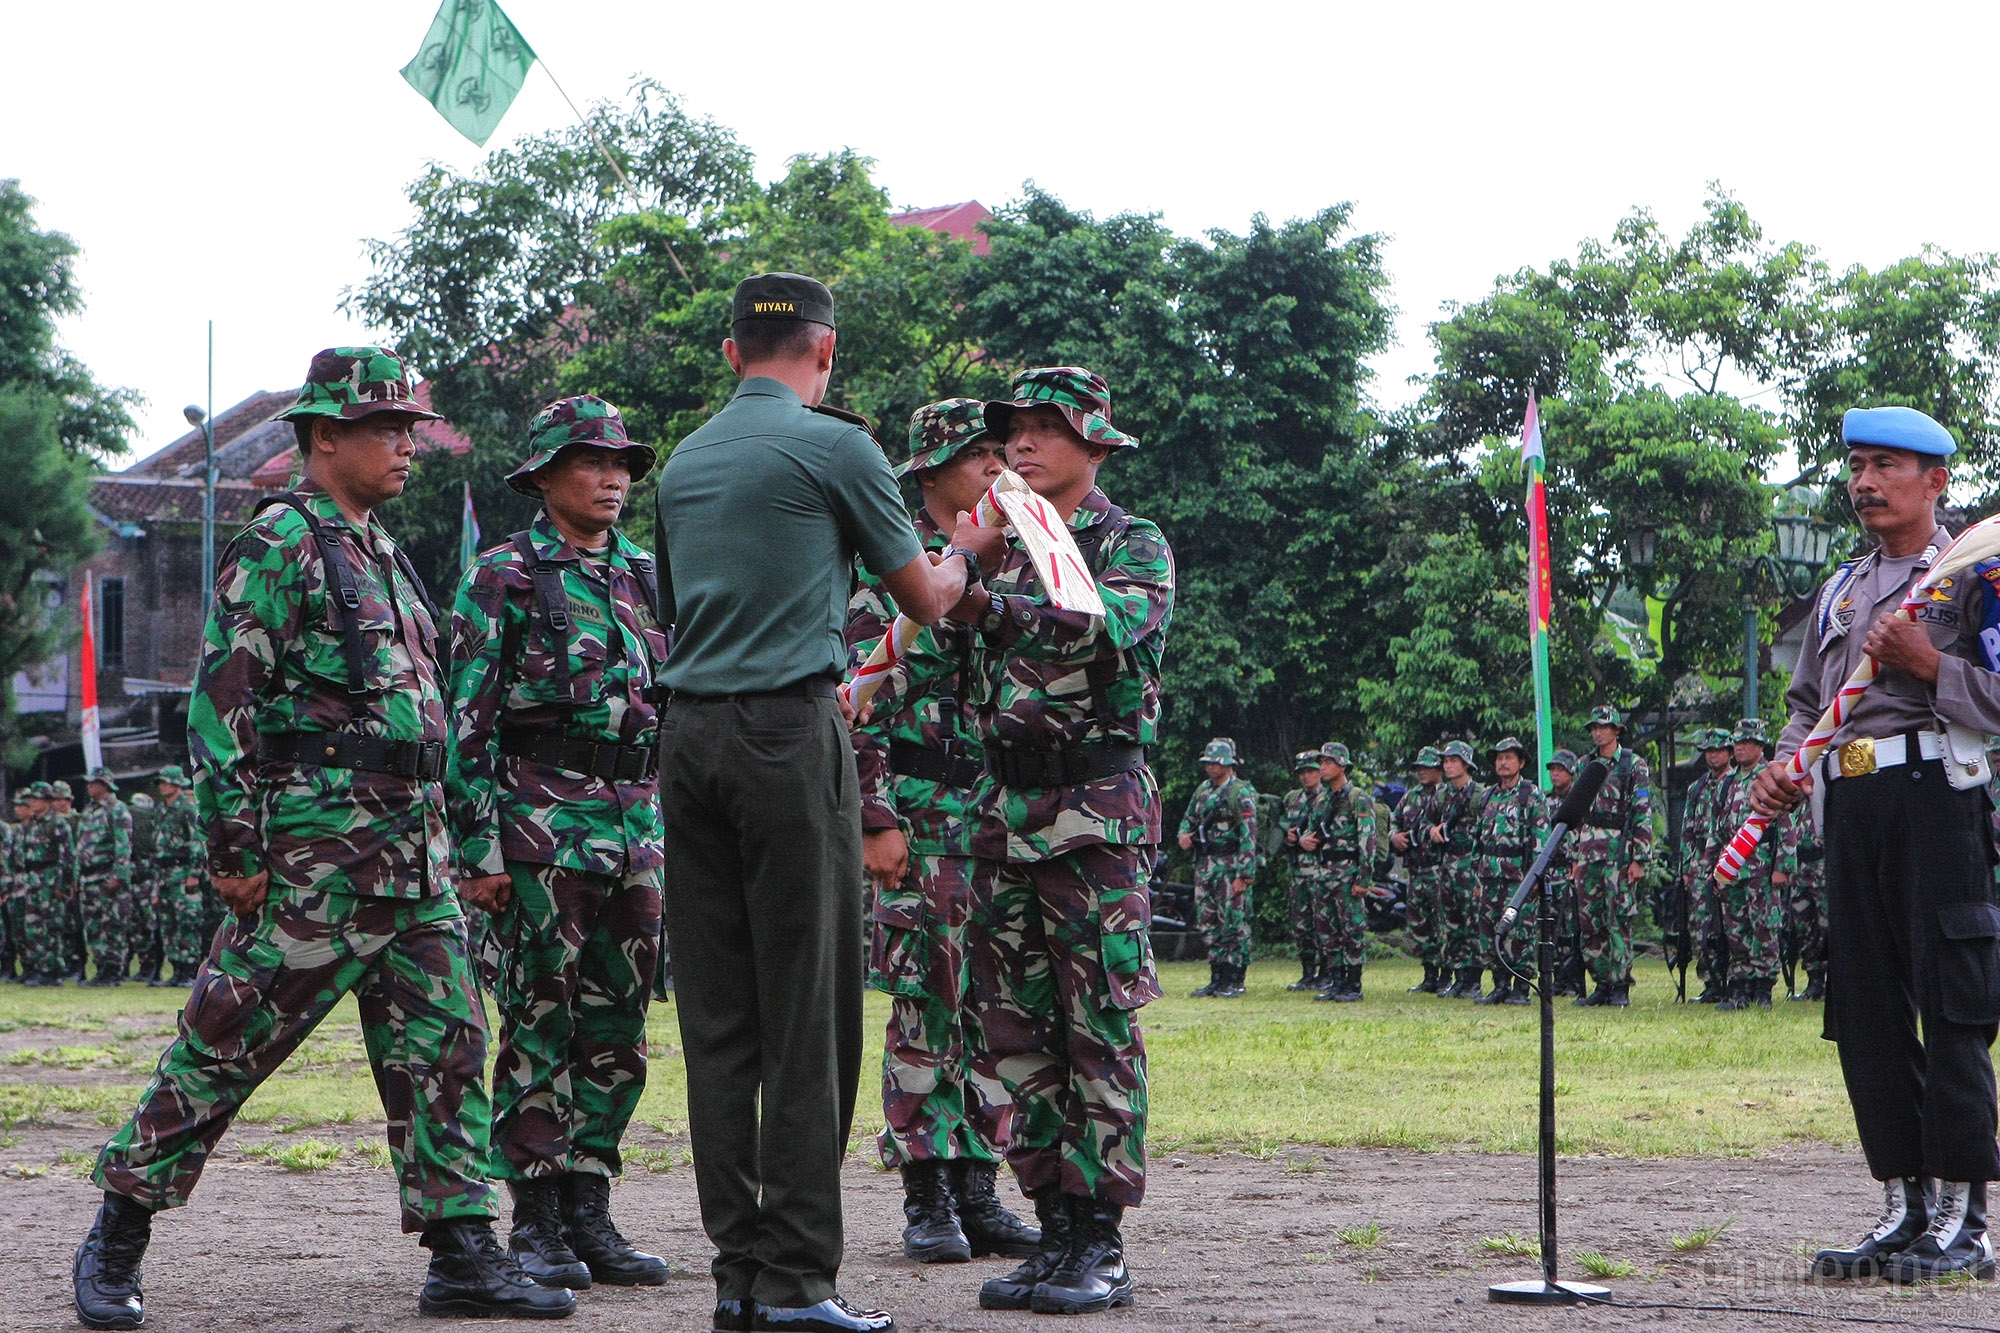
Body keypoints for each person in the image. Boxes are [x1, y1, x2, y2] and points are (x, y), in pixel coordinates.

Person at [74, 347, 570, 1330]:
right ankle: (117, 1233)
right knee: (225, 1042)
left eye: (408, 429)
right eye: (386, 429)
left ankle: (462, 1249)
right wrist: (233, 853)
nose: (405, 447)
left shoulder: (383, 553)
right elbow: (221, 713)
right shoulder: (281, 544)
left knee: (447, 1053)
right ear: (324, 437)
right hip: (317, 865)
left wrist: (464, 848)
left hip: (416, 864)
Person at [653, 274, 973, 1333]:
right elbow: (921, 600)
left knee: (719, 1020)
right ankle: (795, 1282)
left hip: (686, 739)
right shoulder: (839, 449)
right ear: (823, 351)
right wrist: (966, 553)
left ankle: (738, 1278)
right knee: (810, 1016)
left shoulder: (682, 461)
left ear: (732, 351)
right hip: (787, 736)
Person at [936, 364, 1172, 1317]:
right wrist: (959, 563)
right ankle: (1052, 1226)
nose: (1021, 444)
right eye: (1013, 430)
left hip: (1095, 817)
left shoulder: (1130, 542)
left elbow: (1098, 626)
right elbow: (941, 653)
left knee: (1098, 1028)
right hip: (1005, 815)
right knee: (1015, 1030)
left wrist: (984, 596)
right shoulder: (995, 548)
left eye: (1044, 428)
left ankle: (1101, 1239)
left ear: (1095, 444)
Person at [1753, 405, 2000, 1281]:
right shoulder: (1842, 590)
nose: (1864, 481)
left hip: (1938, 796)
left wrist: (1932, 665)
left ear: (1935, 479)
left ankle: (1969, 1219)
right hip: (1849, 801)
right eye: (1857, 464)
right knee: (1864, 1005)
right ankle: (1904, 1205)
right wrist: (1783, 769)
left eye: (1886, 464)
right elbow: (1803, 704)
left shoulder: (1975, 575)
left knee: (1953, 996)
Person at [446, 394, 672, 1291]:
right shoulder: (500, 574)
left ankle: (590, 1203)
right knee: (542, 1018)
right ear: (543, 476)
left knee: (619, 1022)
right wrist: (480, 850)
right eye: (591, 461)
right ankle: (535, 1214)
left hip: (635, 825)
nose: (613, 476)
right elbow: (467, 722)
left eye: (622, 463)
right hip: (539, 824)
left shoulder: (652, 576)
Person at [847, 398, 1039, 1267]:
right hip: (920, 824)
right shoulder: (888, 582)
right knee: (927, 1006)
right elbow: (853, 706)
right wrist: (876, 816)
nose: (1001, 467)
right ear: (932, 474)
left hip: (998, 827)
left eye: (1005, 453)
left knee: (993, 1011)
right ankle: (926, 1194)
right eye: (983, 454)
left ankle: (978, 1188)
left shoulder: (1022, 579)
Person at [1569, 706, 1653, 1007]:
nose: (1598, 732)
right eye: (1594, 727)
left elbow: (1642, 812)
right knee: (1590, 921)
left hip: (1618, 852)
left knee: (1619, 920)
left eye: (1604, 727)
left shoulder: (1632, 764)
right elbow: (1574, 811)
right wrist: (1574, 856)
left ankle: (1620, 985)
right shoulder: (1584, 765)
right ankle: (1601, 982)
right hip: (1588, 851)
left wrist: (1639, 859)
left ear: (1617, 730)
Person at [1710, 719, 1787, 1011]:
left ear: (1760, 745)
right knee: (1735, 927)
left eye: (1747, 742)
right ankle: (1739, 987)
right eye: (1737, 743)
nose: (1740, 748)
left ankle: (1763, 987)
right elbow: (1717, 829)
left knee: (1764, 925)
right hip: (1733, 868)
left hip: (1761, 866)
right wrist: (1715, 869)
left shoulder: (1770, 778)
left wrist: (1782, 866)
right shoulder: (1728, 782)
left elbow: (1786, 824)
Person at [1175, 738, 1259, 997]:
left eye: (1216, 763)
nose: (1211, 767)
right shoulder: (1203, 790)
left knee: (1233, 920)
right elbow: (1188, 818)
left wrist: (1245, 874)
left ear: (1228, 764)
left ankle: (1235, 978)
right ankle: (1217, 976)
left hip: (1231, 864)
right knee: (1207, 919)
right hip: (1205, 865)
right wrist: (1183, 836)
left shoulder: (1239, 793)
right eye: (1208, 763)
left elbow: (1249, 835)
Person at [1473, 738, 1549, 1005]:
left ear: (1521, 762)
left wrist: (1536, 876)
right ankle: (1500, 984)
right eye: (1499, 758)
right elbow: (1478, 839)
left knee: (1521, 932)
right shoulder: (1487, 796)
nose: (1503, 763)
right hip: (1489, 876)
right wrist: (1476, 874)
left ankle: (1521, 987)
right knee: (1488, 929)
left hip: (1519, 876)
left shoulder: (1531, 794)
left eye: (1509, 757)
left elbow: (1542, 837)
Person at [1307, 742, 1375, 1003]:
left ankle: (1353, 983)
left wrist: (1363, 878)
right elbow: (1312, 832)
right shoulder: (1322, 800)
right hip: (1324, 872)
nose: (1323, 767)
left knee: (1352, 929)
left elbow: (1367, 839)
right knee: (1327, 930)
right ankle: (1336, 981)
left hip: (1348, 873)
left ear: (1342, 766)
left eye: (1328, 762)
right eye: (1321, 762)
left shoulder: (1357, 797)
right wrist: (1305, 841)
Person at [1677, 729, 1734, 1002]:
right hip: (1701, 862)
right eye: (1709, 750)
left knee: (1733, 921)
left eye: (1718, 750)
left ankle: (1736, 978)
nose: (1712, 754)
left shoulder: (1737, 783)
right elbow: (1687, 829)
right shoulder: (1697, 788)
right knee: (1703, 924)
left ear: (1729, 752)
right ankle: (1710, 979)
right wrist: (1687, 866)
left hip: (1732, 859)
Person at [1429, 741, 1486, 999]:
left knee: (1474, 922)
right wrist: (1430, 831)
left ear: (1465, 764)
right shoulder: (1441, 795)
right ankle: (1458, 976)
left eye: (1454, 760)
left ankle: (1474, 978)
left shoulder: (1480, 795)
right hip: (1447, 865)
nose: (1448, 765)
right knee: (1451, 924)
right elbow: (1423, 825)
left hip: (1471, 865)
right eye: (1446, 761)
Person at [1392, 747, 1446, 992]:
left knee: (1443, 924)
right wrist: (1395, 837)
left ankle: (1448, 976)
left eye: (1427, 767)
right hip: (1416, 869)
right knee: (1419, 924)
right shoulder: (1410, 797)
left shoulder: (1447, 794)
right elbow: (1395, 821)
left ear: (1439, 769)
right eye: (1419, 768)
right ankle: (1430, 975)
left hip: (1440, 869)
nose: (1422, 772)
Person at [74, 768, 134, 986]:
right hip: (88, 878)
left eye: (93, 783)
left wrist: (119, 875)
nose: (89, 786)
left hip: (107, 876)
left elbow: (123, 845)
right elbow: (81, 847)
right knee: (94, 926)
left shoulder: (117, 810)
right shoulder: (89, 810)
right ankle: (101, 968)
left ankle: (113, 969)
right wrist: (76, 876)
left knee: (112, 925)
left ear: (104, 786)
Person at [150, 766, 206, 987]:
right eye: (160, 782)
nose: (162, 786)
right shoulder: (161, 810)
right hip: (164, 874)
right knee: (168, 923)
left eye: (166, 782)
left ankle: (190, 970)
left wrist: (194, 874)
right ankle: (176, 969)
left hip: (182, 872)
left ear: (177, 784)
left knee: (187, 921)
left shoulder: (187, 809)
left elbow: (198, 842)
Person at [1280, 751, 1329, 991]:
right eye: (1302, 772)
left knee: (1324, 923)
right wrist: (1289, 838)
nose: (1306, 776)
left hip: (1321, 870)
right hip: (1298, 870)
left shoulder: (1329, 798)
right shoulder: (1292, 799)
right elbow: (1280, 831)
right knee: (1301, 925)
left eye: (1311, 771)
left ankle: (1327, 972)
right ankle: (1308, 972)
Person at [19, 781, 74, 987]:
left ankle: (52, 970)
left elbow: (67, 857)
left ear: (48, 801)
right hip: (33, 879)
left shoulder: (57, 824)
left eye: (36, 799)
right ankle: (39, 965)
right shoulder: (32, 824)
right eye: (30, 799)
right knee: (33, 926)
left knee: (51, 925)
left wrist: (63, 884)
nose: (32, 802)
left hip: (50, 879)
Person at [1543, 751, 1586, 995]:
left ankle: (1573, 979)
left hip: (1572, 868)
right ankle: (1555, 977)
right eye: (1552, 769)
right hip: (1550, 869)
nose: (1555, 774)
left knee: (1572, 927)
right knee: (1551, 927)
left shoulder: (1579, 800)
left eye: (1560, 769)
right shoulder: (1545, 801)